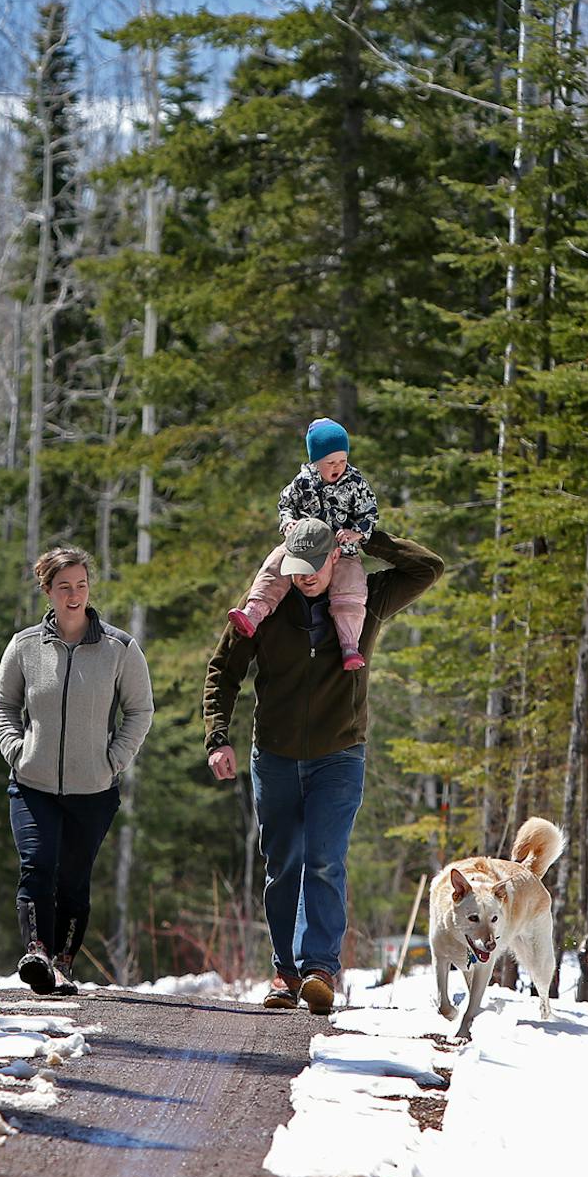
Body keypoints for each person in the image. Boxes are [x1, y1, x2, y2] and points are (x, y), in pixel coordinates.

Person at [204, 517, 443, 1014]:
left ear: (336, 556)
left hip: (339, 754)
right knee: (283, 863)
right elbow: (223, 671)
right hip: (274, 755)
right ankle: (284, 973)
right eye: (296, 567)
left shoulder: (367, 600)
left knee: (327, 859)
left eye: (315, 565)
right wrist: (217, 738)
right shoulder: (264, 606)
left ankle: (318, 970)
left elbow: (427, 567)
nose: (305, 576)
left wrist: (366, 536)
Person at [0, 546, 154, 995]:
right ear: (48, 591)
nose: (75, 595)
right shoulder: (25, 646)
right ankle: (37, 953)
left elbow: (139, 711)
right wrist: (16, 750)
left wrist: (113, 759)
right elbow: (4, 704)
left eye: (81, 585)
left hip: (94, 789)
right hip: (32, 783)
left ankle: (62, 963)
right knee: (37, 864)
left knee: (73, 880)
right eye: (65, 587)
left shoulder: (119, 648)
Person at [226, 417, 381, 670]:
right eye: (330, 462)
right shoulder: (302, 481)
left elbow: (369, 513)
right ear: (315, 461)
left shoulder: (355, 482)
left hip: (342, 550)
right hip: (302, 545)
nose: (338, 467)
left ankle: (350, 645)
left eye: (342, 461)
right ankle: (254, 612)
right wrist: (288, 523)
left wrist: (358, 533)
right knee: (275, 565)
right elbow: (285, 505)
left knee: (350, 586)